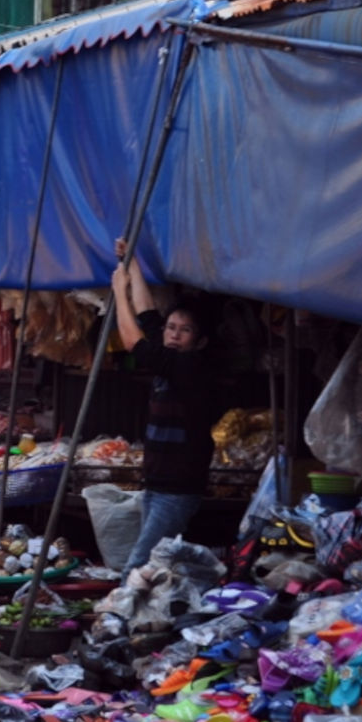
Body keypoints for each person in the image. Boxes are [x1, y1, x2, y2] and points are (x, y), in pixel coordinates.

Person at [111, 239, 218, 574]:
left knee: (138, 567)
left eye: (184, 331)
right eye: (172, 328)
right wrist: (131, 264)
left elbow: (133, 342)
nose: (173, 335)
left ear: (200, 342)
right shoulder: (171, 354)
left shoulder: (191, 367)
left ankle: (119, 622)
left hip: (177, 489)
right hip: (155, 483)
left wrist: (118, 292)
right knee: (160, 567)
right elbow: (147, 315)